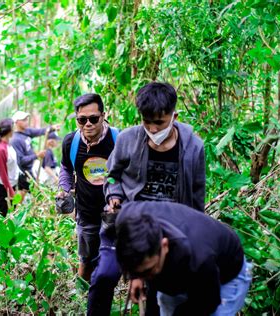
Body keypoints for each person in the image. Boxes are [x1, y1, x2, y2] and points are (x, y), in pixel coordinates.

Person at [89, 82, 206, 315]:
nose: (152, 129)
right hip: (126, 225)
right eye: (146, 122)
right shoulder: (127, 139)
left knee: (156, 294)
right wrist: (113, 195)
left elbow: (196, 196)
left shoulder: (194, 148)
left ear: (174, 115)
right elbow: (111, 177)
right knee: (104, 276)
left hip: (167, 231)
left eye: (159, 123)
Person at [115, 201, 252, 316]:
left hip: (225, 276)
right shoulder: (127, 220)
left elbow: (207, 302)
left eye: (149, 270)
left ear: (164, 245)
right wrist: (135, 276)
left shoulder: (199, 259)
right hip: (180, 272)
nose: (147, 278)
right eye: (140, 272)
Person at [58, 93, 118, 285]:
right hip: (86, 213)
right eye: (82, 120)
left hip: (116, 214)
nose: (88, 124)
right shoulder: (71, 143)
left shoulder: (119, 140)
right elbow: (66, 168)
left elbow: (131, 173)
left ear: (103, 115)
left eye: (93, 118)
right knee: (86, 261)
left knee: (118, 260)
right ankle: (81, 301)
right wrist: (64, 189)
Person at [11, 110, 57, 200]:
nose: (26, 121)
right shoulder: (15, 140)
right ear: (16, 122)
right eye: (23, 120)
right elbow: (21, 161)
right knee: (35, 193)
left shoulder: (26, 131)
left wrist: (52, 128)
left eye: (26, 119)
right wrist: (37, 155)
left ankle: (16, 209)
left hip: (31, 169)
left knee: (24, 192)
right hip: (24, 172)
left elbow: (40, 131)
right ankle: (15, 209)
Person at [0, 118, 19, 217]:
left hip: (10, 183)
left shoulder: (7, 145)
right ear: (8, 131)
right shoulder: (0, 149)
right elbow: (3, 173)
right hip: (3, 185)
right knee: (2, 213)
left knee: (13, 212)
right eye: (13, 128)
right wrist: (10, 191)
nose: (14, 130)